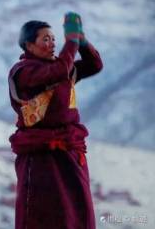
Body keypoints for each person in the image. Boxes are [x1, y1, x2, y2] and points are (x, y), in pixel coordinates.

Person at [9, 12, 103, 229]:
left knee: (77, 210)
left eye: (53, 38)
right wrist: (70, 41)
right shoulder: (24, 73)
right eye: (45, 39)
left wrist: (81, 40)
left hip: (68, 151)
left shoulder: (61, 69)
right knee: (45, 213)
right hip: (40, 156)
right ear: (28, 46)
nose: (52, 43)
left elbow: (95, 64)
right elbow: (59, 71)